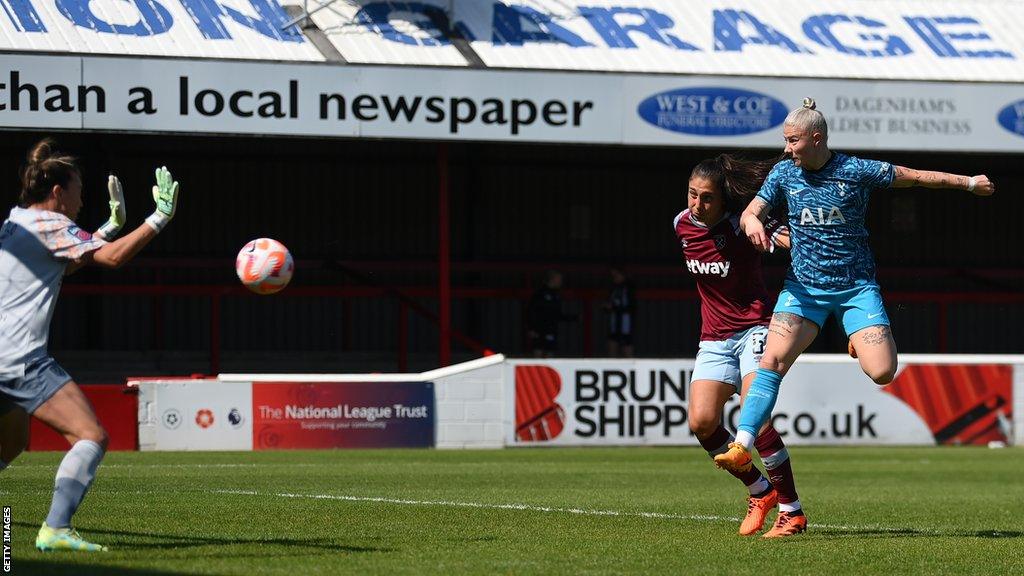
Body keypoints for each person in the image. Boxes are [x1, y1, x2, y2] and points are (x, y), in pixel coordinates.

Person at [715, 99, 995, 522]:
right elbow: (756, 207)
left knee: (881, 371)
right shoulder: (785, 173)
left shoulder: (855, 170)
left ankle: (855, 337)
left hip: (855, 289)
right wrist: (754, 219)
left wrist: (969, 183)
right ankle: (743, 443)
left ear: (816, 138)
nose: (786, 149)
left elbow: (916, 178)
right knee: (771, 361)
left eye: (792, 141)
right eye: (784, 141)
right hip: (802, 291)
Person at [0, 138, 181, 552]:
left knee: (9, 444)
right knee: (92, 436)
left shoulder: (16, 223)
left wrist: (111, 225)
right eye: (79, 190)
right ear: (59, 192)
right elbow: (112, 259)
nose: (83, 199)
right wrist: (160, 217)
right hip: (18, 357)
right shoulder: (52, 225)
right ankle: (56, 529)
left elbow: (65, 263)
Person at [675, 153, 804, 538]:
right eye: (692, 194)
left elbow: (784, 235)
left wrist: (787, 234)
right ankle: (758, 490)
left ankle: (791, 510)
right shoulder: (681, 225)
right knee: (701, 422)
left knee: (756, 415)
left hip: (755, 328)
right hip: (713, 337)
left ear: (723, 199)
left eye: (707, 198)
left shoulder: (744, 225)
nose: (697, 204)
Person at [526, 269, 573, 358]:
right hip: (539, 328)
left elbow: (557, 314)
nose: (561, 281)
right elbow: (531, 311)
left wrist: (574, 318)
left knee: (550, 352)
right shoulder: (540, 293)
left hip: (551, 328)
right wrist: (531, 327)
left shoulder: (556, 295)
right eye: (559, 279)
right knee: (538, 351)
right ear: (552, 279)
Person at [604, 266, 636, 358]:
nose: (614, 278)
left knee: (627, 350)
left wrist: (614, 307)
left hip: (625, 326)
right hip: (614, 325)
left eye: (616, 275)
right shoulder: (613, 289)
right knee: (612, 348)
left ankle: (630, 369)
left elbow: (632, 307)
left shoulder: (628, 288)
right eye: (612, 276)